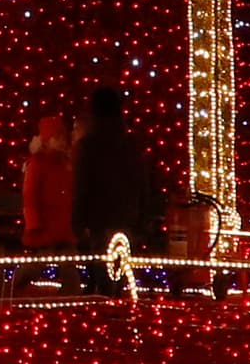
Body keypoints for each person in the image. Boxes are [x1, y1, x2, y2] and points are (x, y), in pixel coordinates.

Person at [70, 86, 165, 294]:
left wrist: (77, 222)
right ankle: (118, 310)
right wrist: (142, 217)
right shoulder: (131, 144)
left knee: (103, 272)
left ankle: (107, 314)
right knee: (120, 271)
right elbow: (142, 183)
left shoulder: (89, 145)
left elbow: (82, 186)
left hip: (100, 218)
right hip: (128, 216)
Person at [18, 110, 79, 279]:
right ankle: (13, 291)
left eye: (62, 137)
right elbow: (30, 195)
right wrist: (34, 224)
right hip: (45, 226)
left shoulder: (66, 162)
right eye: (57, 138)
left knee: (69, 268)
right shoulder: (37, 163)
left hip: (63, 225)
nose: (61, 141)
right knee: (36, 265)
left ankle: (71, 298)